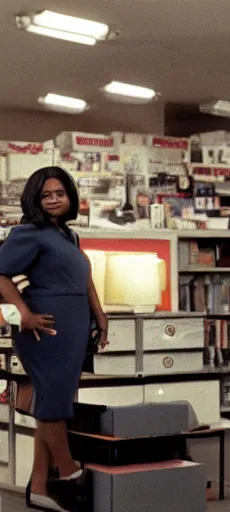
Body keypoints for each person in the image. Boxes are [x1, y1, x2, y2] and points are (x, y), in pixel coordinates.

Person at [0, 167, 108, 511]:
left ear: (70, 196)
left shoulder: (69, 236)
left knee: (52, 402)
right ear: (35, 199)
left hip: (74, 325)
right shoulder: (28, 232)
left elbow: (85, 280)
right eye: (46, 195)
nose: (53, 200)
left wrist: (100, 314)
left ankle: (41, 486)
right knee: (55, 406)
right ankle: (70, 471)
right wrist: (23, 312)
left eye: (59, 193)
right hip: (44, 327)